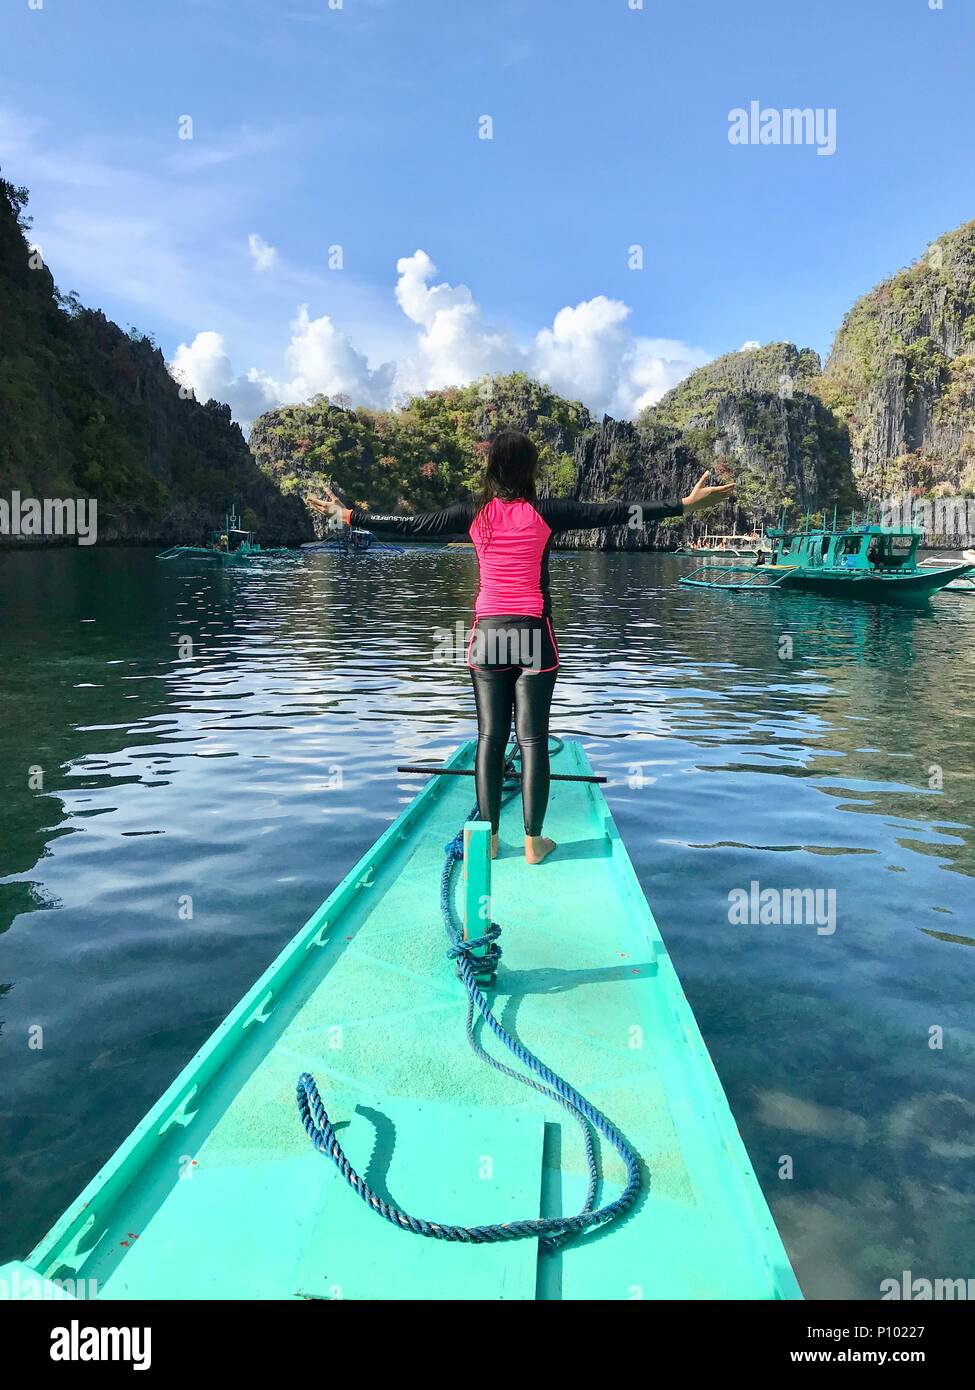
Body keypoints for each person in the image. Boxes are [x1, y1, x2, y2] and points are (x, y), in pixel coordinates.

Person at [309, 431, 733, 865]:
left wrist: (347, 515)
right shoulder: (548, 512)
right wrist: (683, 505)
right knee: (532, 740)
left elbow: (409, 525)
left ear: (491, 468)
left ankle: (489, 839)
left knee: (489, 738)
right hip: (533, 634)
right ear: (530, 469)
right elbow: (616, 513)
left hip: (487, 635)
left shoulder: (472, 514)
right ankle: (534, 842)